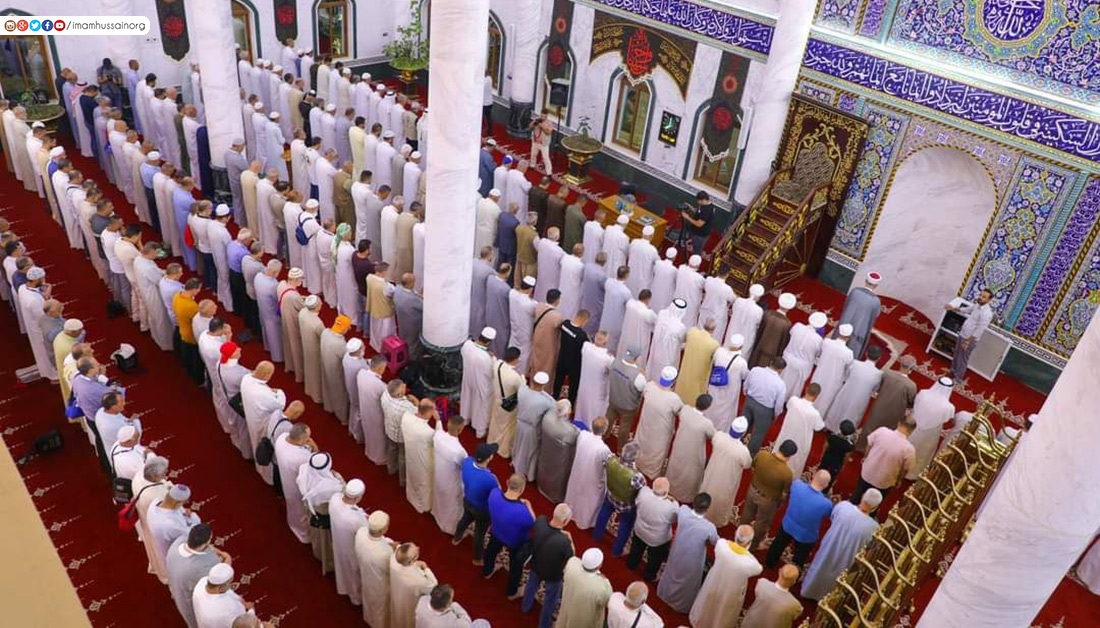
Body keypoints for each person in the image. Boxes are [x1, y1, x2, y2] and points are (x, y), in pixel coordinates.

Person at [801, 489, 883, 600]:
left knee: (819, 568)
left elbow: (833, 518)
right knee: (835, 579)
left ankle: (808, 590)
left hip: (830, 547)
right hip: (847, 558)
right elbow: (870, 548)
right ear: (875, 508)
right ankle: (826, 599)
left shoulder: (843, 506)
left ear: (862, 496)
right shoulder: (874, 528)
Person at [690, 524, 762, 628]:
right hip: (731, 591)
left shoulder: (722, 544)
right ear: (748, 543)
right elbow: (759, 569)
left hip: (715, 581)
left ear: (735, 534)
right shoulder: (750, 562)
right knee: (723, 611)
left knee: (707, 601)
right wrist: (746, 553)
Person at [657, 493, 719, 613]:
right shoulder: (709, 527)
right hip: (693, 558)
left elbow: (675, 505)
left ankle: (665, 594)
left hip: (678, 548)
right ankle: (681, 604)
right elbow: (715, 542)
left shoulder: (684, 511)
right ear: (707, 508)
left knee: (672, 570)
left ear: (694, 504)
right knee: (688, 581)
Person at [764, 470, 833, 569]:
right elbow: (827, 515)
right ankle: (794, 572)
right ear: (826, 485)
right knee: (799, 558)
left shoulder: (796, 485)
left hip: (788, 525)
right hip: (806, 536)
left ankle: (769, 563)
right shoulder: (826, 504)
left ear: (813, 476)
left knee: (777, 545)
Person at [522, 503, 576, 627]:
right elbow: (571, 558)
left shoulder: (540, 521)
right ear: (565, 521)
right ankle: (544, 624)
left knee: (531, 586)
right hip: (553, 575)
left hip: (536, 564)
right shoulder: (564, 541)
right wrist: (570, 539)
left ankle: (525, 606)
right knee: (550, 600)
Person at [483, 473, 536, 598]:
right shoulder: (523, 511)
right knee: (516, 567)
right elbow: (533, 524)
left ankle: (487, 571)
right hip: (515, 541)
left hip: (496, 531)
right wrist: (528, 505)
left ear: (507, 482)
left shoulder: (494, 494)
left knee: (491, 551)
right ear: (522, 490)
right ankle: (512, 592)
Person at [167, 523, 229, 628]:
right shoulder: (203, 565)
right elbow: (222, 574)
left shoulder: (178, 542)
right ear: (206, 542)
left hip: (175, 586)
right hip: (188, 599)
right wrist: (227, 558)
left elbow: (209, 548)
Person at [740, 440, 796, 550]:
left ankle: (740, 535)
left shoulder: (762, 454)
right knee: (761, 523)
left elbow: (753, 467)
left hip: (752, 490)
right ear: (790, 456)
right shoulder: (787, 473)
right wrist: (779, 504)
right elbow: (784, 493)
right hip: (768, 501)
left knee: (747, 514)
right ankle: (753, 545)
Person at [593, 441, 646, 556]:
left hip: (610, 495)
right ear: (635, 458)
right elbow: (642, 492)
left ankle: (596, 535)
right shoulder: (637, 477)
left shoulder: (610, 459)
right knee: (625, 526)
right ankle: (616, 551)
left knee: (603, 514)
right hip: (626, 505)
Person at [856, 354, 917, 452]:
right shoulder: (911, 385)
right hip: (895, 414)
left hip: (879, 407)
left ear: (900, 363)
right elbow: (911, 402)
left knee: (871, 427)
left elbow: (879, 388)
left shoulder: (888, 373)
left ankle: (861, 447)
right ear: (912, 368)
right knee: (887, 435)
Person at [698, 417, 752, 527]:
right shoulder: (743, 451)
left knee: (707, 491)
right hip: (726, 481)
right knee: (721, 502)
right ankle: (716, 521)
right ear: (743, 433)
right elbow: (747, 464)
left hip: (712, 474)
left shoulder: (719, 436)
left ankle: (701, 512)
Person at [453, 443, 501, 565]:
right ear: (489, 458)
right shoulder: (490, 479)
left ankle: (456, 538)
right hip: (482, 510)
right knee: (479, 533)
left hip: (467, 500)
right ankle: (477, 559)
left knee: (464, 519)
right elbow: (496, 495)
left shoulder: (467, 462)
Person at [634, 367, 684, 478]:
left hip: (646, 424)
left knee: (641, 444)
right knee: (656, 453)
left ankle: (637, 463)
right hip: (660, 432)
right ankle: (650, 473)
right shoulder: (674, 399)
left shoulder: (650, 386)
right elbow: (680, 412)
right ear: (673, 381)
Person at [666, 394, 717, 503]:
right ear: (707, 407)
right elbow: (713, 436)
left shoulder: (685, 410)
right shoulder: (706, 423)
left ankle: (670, 487)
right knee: (690, 473)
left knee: (676, 466)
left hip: (680, 445)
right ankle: (685, 496)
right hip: (694, 452)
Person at [565, 417, 612, 529]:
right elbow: (606, 467)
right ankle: (584, 521)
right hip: (592, 477)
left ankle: (569, 512)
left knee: (575, 492)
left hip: (579, 469)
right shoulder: (604, 449)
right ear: (604, 430)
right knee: (588, 501)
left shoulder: (583, 435)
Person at [853, 419, 915, 505]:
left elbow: (869, 445)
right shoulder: (909, 449)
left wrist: (865, 457)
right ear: (912, 431)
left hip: (868, 472)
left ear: (899, 423)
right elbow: (905, 469)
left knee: (857, 495)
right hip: (884, 481)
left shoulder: (882, 431)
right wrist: (898, 480)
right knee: (874, 503)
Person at [147, 484, 202, 582]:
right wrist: (194, 517)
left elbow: (180, 513)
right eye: (184, 502)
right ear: (177, 502)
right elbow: (193, 532)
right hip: (176, 552)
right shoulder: (169, 524)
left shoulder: (156, 502)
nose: (187, 503)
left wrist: (184, 515)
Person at [824, 345, 883, 433]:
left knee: (839, 407)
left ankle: (829, 425)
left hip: (847, 391)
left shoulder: (855, 363)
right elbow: (875, 389)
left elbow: (846, 375)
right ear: (879, 358)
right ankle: (844, 432)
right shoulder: (878, 374)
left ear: (866, 353)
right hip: (861, 399)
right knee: (853, 414)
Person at [907, 377, 956, 479]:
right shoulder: (949, 408)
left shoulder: (923, 393)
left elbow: (915, 404)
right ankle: (912, 474)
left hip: (913, 427)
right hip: (930, 435)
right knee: (922, 453)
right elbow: (947, 419)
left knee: (908, 446)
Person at [329, 479, 369, 606]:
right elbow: (366, 531)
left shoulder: (335, 499)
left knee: (343, 568)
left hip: (338, 541)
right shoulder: (355, 519)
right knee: (354, 574)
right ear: (357, 498)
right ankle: (356, 598)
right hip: (351, 548)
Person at [274, 423, 316, 542]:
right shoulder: (301, 457)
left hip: (286, 479)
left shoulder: (282, 438)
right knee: (302, 510)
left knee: (293, 507)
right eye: (307, 439)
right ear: (300, 440)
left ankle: (294, 524)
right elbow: (316, 464)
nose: (309, 440)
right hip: (298, 486)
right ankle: (305, 535)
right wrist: (314, 447)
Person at [773, 384, 825, 477]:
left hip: (787, 433)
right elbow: (819, 427)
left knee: (779, 451)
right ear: (816, 397)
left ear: (806, 390)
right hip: (800, 441)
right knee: (794, 463)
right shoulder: (814, 413)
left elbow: (788, 406)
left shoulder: (793, 400)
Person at [355, 510, 395, 627]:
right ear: (382, 530)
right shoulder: (385, 552)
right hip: (379, 583)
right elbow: (390, 570)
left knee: (368, 600)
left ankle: (368, 618)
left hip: (365, 574)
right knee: (380, 608)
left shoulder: (361, 532)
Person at [513, 371, 556, 481]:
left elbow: (524, 385)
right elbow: (554, 405)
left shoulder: (522, 390)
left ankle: (516, 463)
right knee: (530, 452)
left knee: (518, 445)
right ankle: (525, 472)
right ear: (544, 385)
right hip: (531, 429)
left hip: (519, 424)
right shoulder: (545, 401)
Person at [556, 548, 613, 628]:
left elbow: (574, 559)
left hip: (567, 609)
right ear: (599, 565)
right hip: (583, 620)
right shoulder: (602, 586)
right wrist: (605, 580)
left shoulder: (572, 564)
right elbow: (608, 601)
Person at [743, 357, 788, 455]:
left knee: (742, 425)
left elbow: (746, 385)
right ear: (781, 370)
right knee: (757, 435)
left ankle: (734, 444)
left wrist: (747, 396)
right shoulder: (781, 384)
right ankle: (749, 455)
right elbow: (779, 404)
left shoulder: (755, 370)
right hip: (765, 410)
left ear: (771, 362)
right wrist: (775, 415)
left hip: (750, 401)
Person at [432, 416, 468, 535]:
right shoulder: (459, 451)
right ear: (460, 430)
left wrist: (438, 420)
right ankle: (450, 528)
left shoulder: (438, 436)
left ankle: (437, 516)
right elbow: (465, 467)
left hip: (438, 475)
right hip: (451, 482)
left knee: (439, 498)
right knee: (452, 505)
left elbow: (438, 430)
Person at [538, 400, 580, 503]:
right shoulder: (569, 431)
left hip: (546, 452)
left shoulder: (548, 416)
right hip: (559, 459)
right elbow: (577, 438)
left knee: (545, 469)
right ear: (567, 413)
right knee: (557, 478)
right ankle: (554, 496)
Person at [948, 288, 994, 382]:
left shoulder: (987, 313)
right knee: (957, 353)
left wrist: (967, 341)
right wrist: (953, 308)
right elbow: (966, 310)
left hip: (969, 339)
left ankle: (958, 378)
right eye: (980, 295)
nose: (980, 297)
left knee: (963, 359)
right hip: (963, 334)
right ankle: (952, 371)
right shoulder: (977, 305)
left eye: (984, 297)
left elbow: (979, 330)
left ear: (989, 300)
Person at [606, 348, 647, 451]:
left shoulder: (614, 362)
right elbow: (643, 389)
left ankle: (603, 436)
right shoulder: (639, 376)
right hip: (628, 407)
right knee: (624, 427)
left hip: (613, 400)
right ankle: (620, 449)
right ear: (637, 357)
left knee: (608, 420)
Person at [834, 271, 882, 358]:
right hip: (859, 329)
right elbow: (876, 315)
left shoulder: (855, 291)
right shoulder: (875, 300)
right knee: (852, 350)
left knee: (837, 343)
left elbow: (846, 304)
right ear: (876, 286)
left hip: (845, 321)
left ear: (866, 281)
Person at [402, 398, 438, 513]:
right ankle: (424, 506)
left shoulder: (406, 417)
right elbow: (439, 441)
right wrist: (438, 422)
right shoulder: (428, 432)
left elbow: (415, 412)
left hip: (410, 455)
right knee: (423, 484)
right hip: (423, 461)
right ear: (429, 412)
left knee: (412, 478)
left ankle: (411, 496)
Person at [780, 311, 826, 402]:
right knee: (796, 386)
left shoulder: (797, 326)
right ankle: (789, 402)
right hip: (802, 365)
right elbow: (818, 354)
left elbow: (791, 333)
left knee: (782, 378)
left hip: (788, 358)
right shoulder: (818, 340)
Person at [389, 543, 438, 628]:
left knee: (396, 616)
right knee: (407, 621)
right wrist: (425, 568)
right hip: (409, 603)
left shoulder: (393, 560)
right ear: (411, 561)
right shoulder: (419, 580)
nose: (418, 547)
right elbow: (433, 585)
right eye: (416, 552)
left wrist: (414, 564)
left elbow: (399, 548)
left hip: (396, 595)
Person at [488, 347, 524, 457]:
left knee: (495, 423)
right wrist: (523, 379)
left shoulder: (497, 365)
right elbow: (522, 391)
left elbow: (494, 358)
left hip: (496, 399)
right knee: (507, 428)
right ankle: (503, 451)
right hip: (508, 405)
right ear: (516, 360)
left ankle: (491, 441)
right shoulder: (515, 377)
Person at [813, 323, 856, 413]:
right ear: (849, 336)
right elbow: (848, 370)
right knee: (825, 402)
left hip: (819, 374)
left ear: (839, 333)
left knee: (812, 395)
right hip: (833, 381)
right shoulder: (848, 353)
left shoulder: (827, 342)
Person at [574, 331, 614, 427]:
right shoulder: (607, 359)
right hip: (597, 393)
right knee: (594, 415)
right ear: (606, 343)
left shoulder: (586, 346)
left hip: (583, 388)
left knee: (581, 410)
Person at [461, 328, 496, 438]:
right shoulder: (486, 358)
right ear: (489, 342)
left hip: (467, 378)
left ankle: (465, 420)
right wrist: (493, 359)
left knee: (467, 399)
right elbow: (491, 373)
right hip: (481, 384)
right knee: (481, 406)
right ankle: (480, 431)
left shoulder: (467, 345)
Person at [356, 354, 390, 465]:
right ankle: (379, 458)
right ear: (380, 368)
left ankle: (369, 451)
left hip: (364, 408)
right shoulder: (380, 386)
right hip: (376, 415)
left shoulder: (361, 374)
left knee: (369, 432)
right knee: (379, 438)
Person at [382, 378, 418, 485]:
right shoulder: (406, 406)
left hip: (389, 429)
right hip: (401, 436)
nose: (405, 386)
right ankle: (403, 480)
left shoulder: (385, 395)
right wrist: (416, 402)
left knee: (392, 449)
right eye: (403, 387)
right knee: (403, 457)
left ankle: (391, 468)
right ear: (399, 393)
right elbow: (418, 415)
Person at [677, 319, 720, 406]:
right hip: (699, 373)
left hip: (687, 366)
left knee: (682, 386)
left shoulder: (692, 332)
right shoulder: (714, 344)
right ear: (713, 329)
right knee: (694, 393)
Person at [192, 564, 250, 628]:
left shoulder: (201, 583)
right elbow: (245, 623)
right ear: (222, 587)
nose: (231, 585)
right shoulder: (229, 609)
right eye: (230, 583)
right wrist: (251, 610)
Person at [645, 299, 687, 382]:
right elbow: (683, 340)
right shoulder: (680, 327)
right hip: (668, 358)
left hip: (656, 351)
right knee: (664, 378)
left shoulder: (661, 314)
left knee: (653, 374)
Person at [553, 309, 589, 405]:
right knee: (573, 386)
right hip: (574, 365)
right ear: (584, 320)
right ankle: (570, 404)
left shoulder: (565, 324)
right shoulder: (582, 335)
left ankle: (554, 397)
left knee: (558, 381)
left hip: (562, 359)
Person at [320, 315, 352, 422]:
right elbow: (347, 357)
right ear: (343, 328)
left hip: (325, 363)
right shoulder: (340, 343)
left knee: (327, 388)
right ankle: (342, 417)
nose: (349, 329)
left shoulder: (325, 332)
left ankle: (329, 407)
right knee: (340, 395)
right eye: (348, 327)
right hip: (335, 370)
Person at [750, 292, 795, 368]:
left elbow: (759, 331)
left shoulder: (767, 313)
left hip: (759, 347)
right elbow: (783, 343)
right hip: (772, 354)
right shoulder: (787, 323)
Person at [528, 289, 565, 379]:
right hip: (548, 344)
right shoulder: (557, 317)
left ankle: (533, 380)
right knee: (547, 366)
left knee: (536, 362)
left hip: (537, 339)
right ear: (557, 300)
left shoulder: (538, 307)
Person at [617, 290, 657, 366]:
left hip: (627, 337)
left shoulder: (630, 304)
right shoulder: (648, 313)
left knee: (622, 359)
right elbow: (656, 321)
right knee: (635, 364)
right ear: (648, 299)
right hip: (638, 342)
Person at [297, 295, 325, 403]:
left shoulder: (303, 312)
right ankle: (317, 395)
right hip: (315, 349)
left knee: (309, 368)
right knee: (316, 372)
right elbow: (323, 337)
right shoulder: (317, 323)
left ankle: (309, 389)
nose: (321, 304)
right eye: (320, 303)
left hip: (306, 343)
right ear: (316, 307)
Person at [509, 276, 538, 372]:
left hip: (514, 327)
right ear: (531, 289)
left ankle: (510, 366)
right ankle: (521, 373)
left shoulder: (512, 294)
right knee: (524, 354)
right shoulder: (531, 304)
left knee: (513, 347)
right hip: (526, 332)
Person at [365, 262, 396, 353]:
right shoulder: (388, 287)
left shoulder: (369, 278)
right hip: (384, 312)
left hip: (373, 309)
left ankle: (374, 344)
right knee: (385, 332)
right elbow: (394, 294)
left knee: (375, 329)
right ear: (383, 272)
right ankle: (383, 348)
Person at [484, 264, 512, 358]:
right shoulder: (506, 288)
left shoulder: (490, 279)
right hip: (501, 316)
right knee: (500, 339)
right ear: (507, 273)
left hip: (489, 313)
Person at [673, 254, 705, 329]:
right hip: (690, 304)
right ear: (698, 265)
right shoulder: (699, 278)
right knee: (687, 324)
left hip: (678, 298)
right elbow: (705, 286)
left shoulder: (681, 268)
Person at [557, 244, 585, 320]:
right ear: (582, 253)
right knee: (571, 309)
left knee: (561, 305)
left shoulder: (565, 258)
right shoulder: (580, 265)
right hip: (573, 290)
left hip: (563, 286)